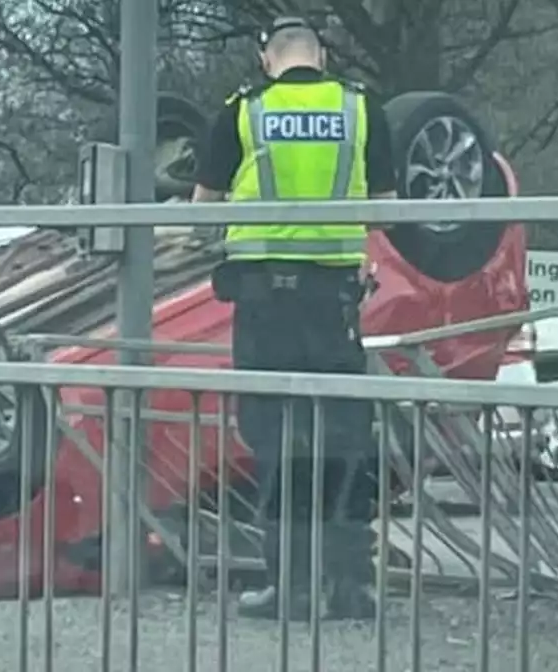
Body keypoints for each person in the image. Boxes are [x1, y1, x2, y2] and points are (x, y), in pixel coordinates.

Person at [191, 16, 397, 621]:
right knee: (347, 440)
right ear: (322, 59)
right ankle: (353, 586)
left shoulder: (242, 111)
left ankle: (289, 587)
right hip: (334, 302)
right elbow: (387, 211)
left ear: (266, 59)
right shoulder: (361, 109)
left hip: (263, 302)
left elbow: (203, 212)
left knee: (276, 441)